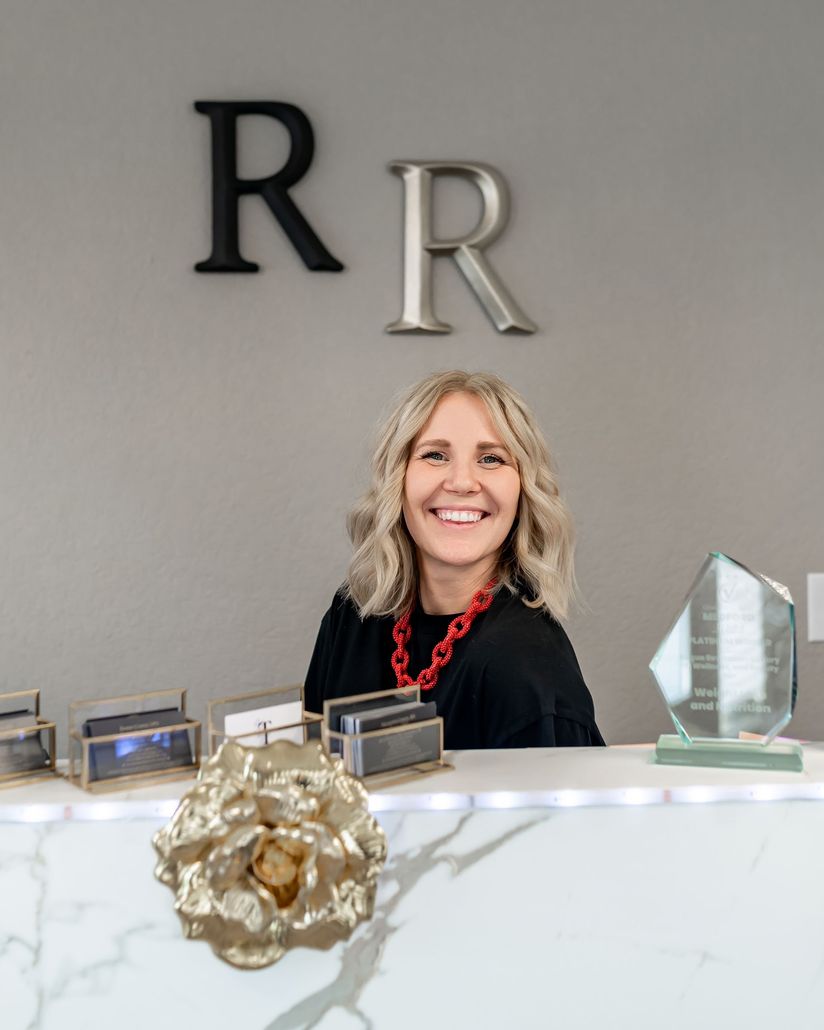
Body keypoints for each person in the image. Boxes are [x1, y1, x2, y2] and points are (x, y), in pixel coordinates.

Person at [304, 370, 604, 749]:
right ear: (398, 478)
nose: (462, 482)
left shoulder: (527, 668)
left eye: (491, 459)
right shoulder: (352, 617)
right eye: (435, 455)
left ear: (523, 490)